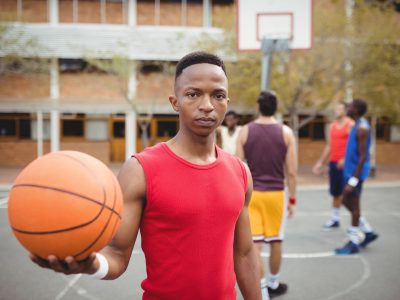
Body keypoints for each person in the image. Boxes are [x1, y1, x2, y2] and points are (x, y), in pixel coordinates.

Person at [30, 51, 262, 300]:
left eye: (218, 95)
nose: (207, 105)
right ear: (175, 102)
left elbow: (245, 254)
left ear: (227, 102)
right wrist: (92, 264)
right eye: (193, 94)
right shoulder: (141, 169)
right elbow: (117, 254)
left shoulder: (240, 172)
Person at [236, 91, 297, 298]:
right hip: (276, 195)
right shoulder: (286, 132)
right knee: (276, 240)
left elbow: (237, 168)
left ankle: (261, 288)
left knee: (254, 244)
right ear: (276, 107)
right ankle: (273, 283)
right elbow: (292, 172)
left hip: (252, 194)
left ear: (258, 106)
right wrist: (292, 199)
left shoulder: (244, 131)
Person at [335, 98, 379, 255]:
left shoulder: (362, 128)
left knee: (354, 207)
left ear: (357, 110)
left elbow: (363, 157)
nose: (348, 107)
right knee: (347, 202)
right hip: (350, 171)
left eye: (351, 106)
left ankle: (353, 242)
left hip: (356, 174)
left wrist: (353, 180)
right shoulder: (356, 125)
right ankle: (367, 231)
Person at [312, 102, 354, 230]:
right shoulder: (332, 126)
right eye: (335, 109)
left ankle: (358, 221)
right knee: (335, 193)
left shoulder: (350, 124)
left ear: (345, 110)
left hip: (345, 165)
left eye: (339, 109)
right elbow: (329, 146)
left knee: (346, 194)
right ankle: (335, 219)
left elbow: (353, 146)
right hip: (334, 163)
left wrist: (346, 159)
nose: (336, 111)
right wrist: (320, 162)